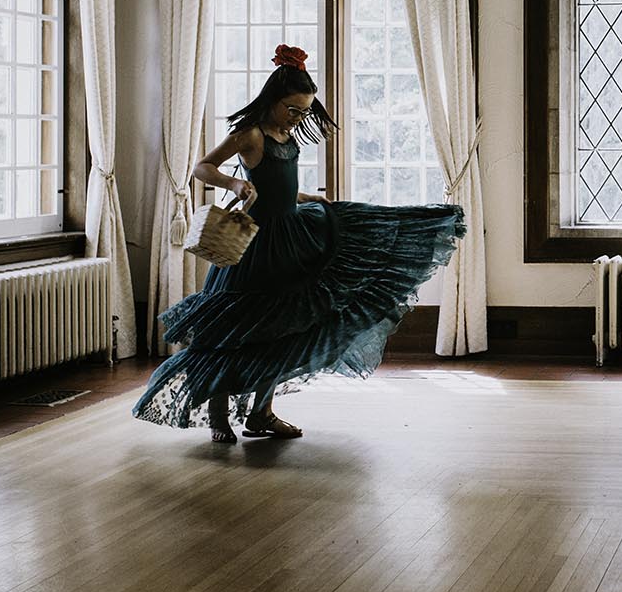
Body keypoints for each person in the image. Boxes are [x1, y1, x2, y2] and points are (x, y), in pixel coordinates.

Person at [133, 44, 465, 441]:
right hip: (252, 245)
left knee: (284, 328)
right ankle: (220, 417)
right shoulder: (250, 134)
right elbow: (202, 167)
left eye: (304, 110)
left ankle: (262, 413)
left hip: (290, 237)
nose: (298, 117)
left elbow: (282, 190)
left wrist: (308, 198)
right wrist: (235, 182)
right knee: (232, 331)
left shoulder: (287, 137)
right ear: (274, 100)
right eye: (292, 109)